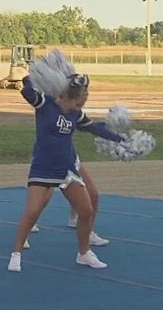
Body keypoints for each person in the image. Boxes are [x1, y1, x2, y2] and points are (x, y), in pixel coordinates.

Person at [8, 74, 123, 272]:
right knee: (32, 211)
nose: (83, 103)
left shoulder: (75, 114)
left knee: (85, 211)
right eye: (81, 98)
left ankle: (84, 253)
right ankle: (16, 254)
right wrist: (34, 76)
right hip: (43, 168)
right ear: (71, 97)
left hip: (66, 169)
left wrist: (120, 140)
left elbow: (95, 128)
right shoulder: (45, 104)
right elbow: (26, 90)